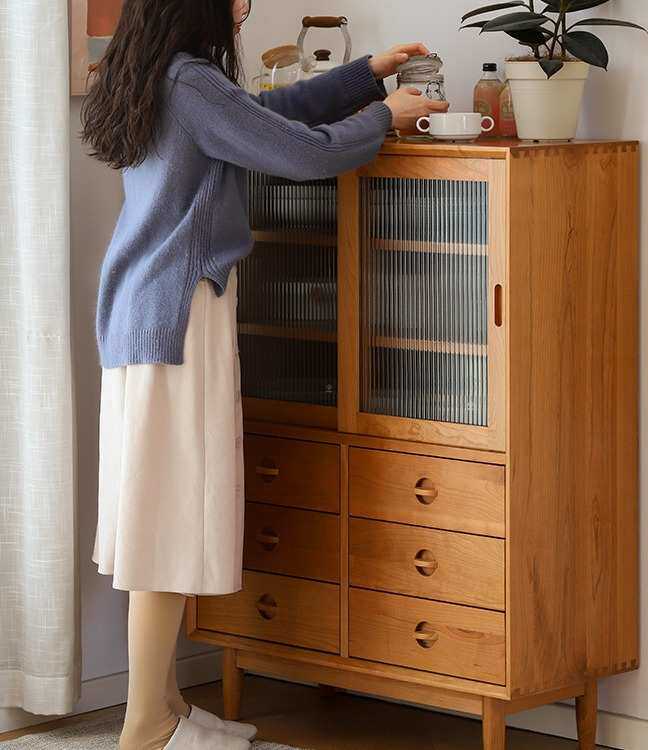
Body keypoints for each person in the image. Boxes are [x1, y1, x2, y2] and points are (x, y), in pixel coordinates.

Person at [80, 0, 449, 748]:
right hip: (178, 318)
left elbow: (264, 118)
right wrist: (385, 115)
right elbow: (300, 153)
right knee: (164, 528)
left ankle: (168, 707)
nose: (242, 8)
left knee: (156, 515)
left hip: (142, 314)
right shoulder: (190, 82)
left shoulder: (158, 74)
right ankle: (145, 726)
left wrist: (364, 77)